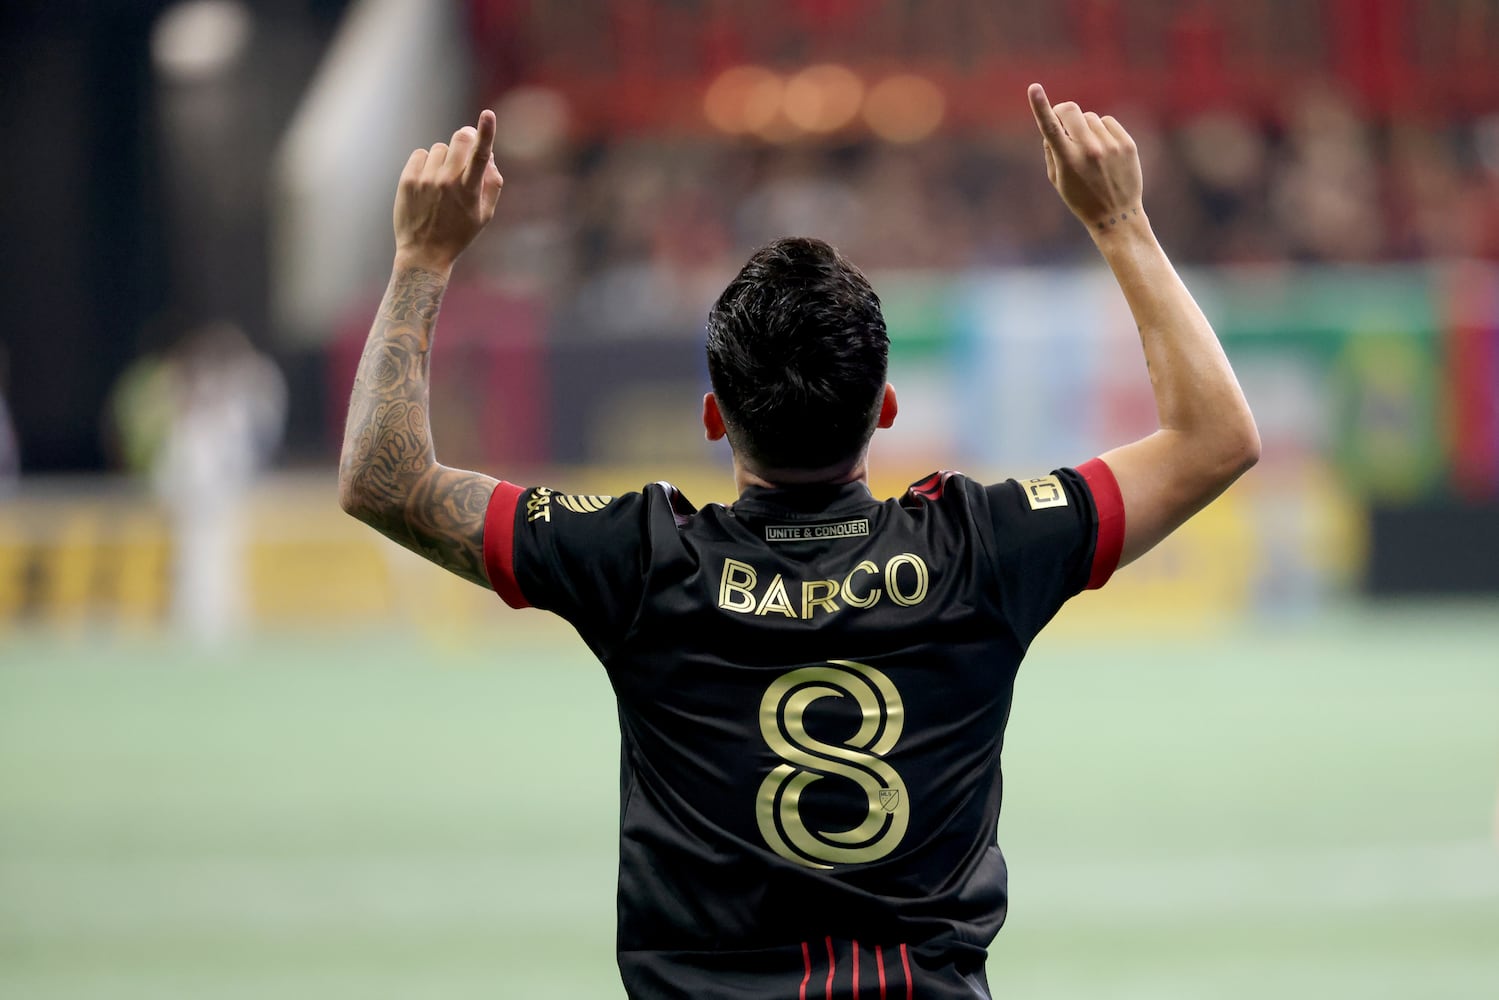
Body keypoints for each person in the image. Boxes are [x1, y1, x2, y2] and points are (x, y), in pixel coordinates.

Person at [338, 84, 1259, 999]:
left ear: (712, 417)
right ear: (886, 411)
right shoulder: (982, 547)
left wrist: (422, 254)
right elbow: (1217, 437)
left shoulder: (641, 560)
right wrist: (1121, 221)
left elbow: (385, 482)